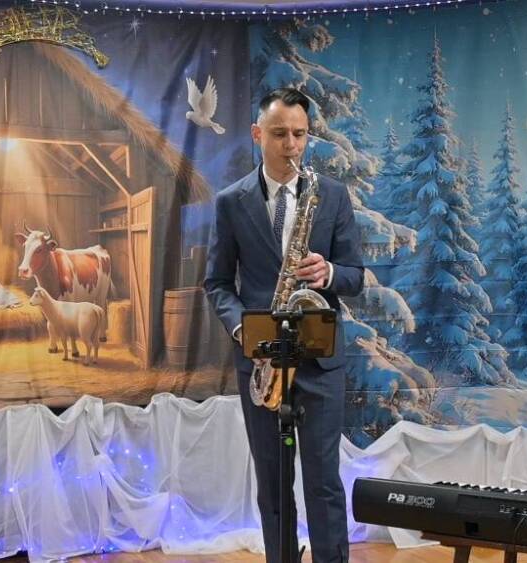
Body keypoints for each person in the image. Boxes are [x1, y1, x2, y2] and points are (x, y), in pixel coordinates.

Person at [204, 87, 363, 563]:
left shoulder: (332, 195)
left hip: (319, 362)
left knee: (324, 483)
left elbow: (354, 277)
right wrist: (244, 332)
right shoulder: (230, 202)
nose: (291, 145)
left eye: (299, 134)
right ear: (257, 134)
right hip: (263, 364)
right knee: (273, 485)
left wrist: (328, 272)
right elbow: (217, 283)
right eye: (279, 134)